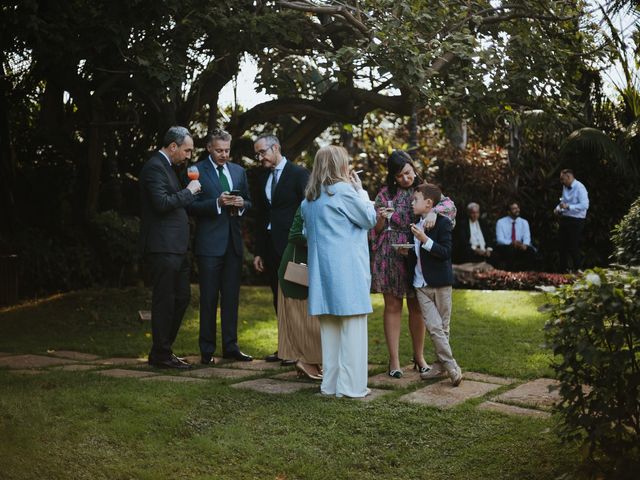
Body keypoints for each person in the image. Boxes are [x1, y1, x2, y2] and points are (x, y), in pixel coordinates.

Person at [370, 150, 456, 378]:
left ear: (413, 167)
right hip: (389, 254)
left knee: (417, 306)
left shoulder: (426, 190)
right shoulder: (384, 194)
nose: (405, 179)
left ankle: (419, 357)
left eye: (407, 172)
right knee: (392, 306)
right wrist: (380, 218)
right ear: (393, 177)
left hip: (417, 256)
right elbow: (375, 230)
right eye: (399, 176)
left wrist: (434, 212)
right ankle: (394, 361)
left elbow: (450, 206)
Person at [301, 145, 377, 398]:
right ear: (340, 166)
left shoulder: (309, 199)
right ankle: (352, 387)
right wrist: (361, 191)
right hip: (347, 272)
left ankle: (330, 385)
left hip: (322, 274)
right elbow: (369, 218)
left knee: (330, 333)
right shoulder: (345, 192)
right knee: (353, 330)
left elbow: (305, 234)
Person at [139, 126, 201, 369]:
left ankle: (163, 350)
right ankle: (161, 355)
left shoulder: (169, 168)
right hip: (162, 246)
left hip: (177, 247)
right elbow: (162, 203)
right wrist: (189, 192)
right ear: (172, 146)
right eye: (186, 150)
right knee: (164, 300)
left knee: (182, 298)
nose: (188, 155)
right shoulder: (154, 167)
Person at [189, 129, 253, 364]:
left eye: (227, 150)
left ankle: (231, 347)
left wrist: (241, 203)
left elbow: (248, 200)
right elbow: (191, 205)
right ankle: (206, 350)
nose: (224, 154)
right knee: (208, 299)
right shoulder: (196, 170)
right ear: (208, 148)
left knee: (231, 299)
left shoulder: (238, 171)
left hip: (233, 246)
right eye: (219, 150)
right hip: (208, 246)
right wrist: (216, 203)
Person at [252, 134, 310, 364]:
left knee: (295, 298)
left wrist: (303, 244)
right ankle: (285, 348)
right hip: (270, 247)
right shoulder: (263, 177)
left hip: (293, 247)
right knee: (278, 298)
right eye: (257, 154)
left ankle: (300, 349)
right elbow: (261, 216)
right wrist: (258, 250)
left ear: (275, 147)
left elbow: (308, 211)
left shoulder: (298, 174)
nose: (260, 158)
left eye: (262, 152)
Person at [403, 183, 462, 386]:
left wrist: (425, 240)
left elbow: (445, 252)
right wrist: (407, 251)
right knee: (434, 327)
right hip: (420, 285)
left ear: (429, 203)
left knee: (442, 328)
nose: (412, 203)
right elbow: (416, 256)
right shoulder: (414, 224)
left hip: (441, 283)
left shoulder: (443, 223)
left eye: (416, 200)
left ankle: (439, 366)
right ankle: (452, 367)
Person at [276, 207, 322, 380]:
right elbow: (294, 235)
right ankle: (304, 361)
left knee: (313, 321)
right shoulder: (306, 205)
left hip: (313, 270)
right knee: (303, 321)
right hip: (296, 273)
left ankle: (312, 362)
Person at [554, 169, 589, 272]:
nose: (561, 181)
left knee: (573, 246)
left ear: (569, 177)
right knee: (561, 246)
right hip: (565, 219)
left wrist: (568, 206)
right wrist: (557, 209)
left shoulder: (580, 187)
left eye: (562, 179)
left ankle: (578, 270)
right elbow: (563, 202)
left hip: (577, 220)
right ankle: (562, 272)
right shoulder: (565, 187)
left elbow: (585, 205)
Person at [494, 202, 536, 271]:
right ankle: (511, 275)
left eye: (517, 208)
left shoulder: (524, 222)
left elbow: (527, 237)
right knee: (510, 250)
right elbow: (500, 240)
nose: (517, 210)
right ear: (508, 212)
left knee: (530, 251)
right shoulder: (500, 222)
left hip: (520, 246)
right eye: (514, 209)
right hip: (506, 246)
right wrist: (512, 242)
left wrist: (525, 245)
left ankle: (528, 275)